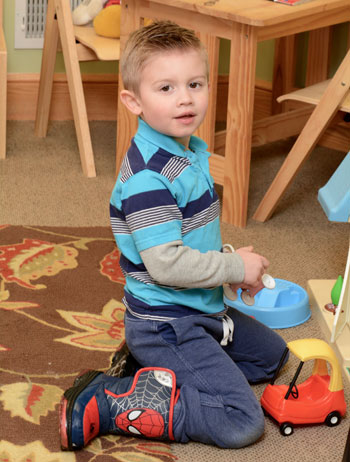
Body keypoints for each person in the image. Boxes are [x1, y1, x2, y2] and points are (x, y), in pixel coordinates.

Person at [59, 20, 288, 451]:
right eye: (165, 88)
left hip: (200, 308)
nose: (185, 98)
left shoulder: (187, 150)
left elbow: (187, 238)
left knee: (271, 358)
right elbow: (166, 262)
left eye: (195, 84)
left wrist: (227, 261)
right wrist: (234, 265)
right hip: (167, 322)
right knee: (242, 421)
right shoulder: (148, 177)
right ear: (133, 101)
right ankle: (115, 401)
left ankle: (152, 368)